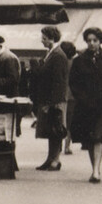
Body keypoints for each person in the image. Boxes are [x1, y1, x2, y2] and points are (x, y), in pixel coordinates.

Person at [66, 25, 102, 182]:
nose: (92, 43)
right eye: (89, 40)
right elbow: (73, 83)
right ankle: (94, 167)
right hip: (85, 105)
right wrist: (83, 98)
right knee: (89, 137)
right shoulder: (79, 60)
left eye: (95, 40)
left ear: (100, 41)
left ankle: (96, 171)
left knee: (99, 136)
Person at [28, 23, 71, 171]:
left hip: (54, 100)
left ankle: (55, 160)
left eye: (44, 38)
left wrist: (52, 102)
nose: (42, 41)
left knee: (56, 129)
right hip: (50, 98)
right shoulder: (52, 53)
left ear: (52, 39)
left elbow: (58, 80)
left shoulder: (58, 55)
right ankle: (50, 158)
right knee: (51, 130)